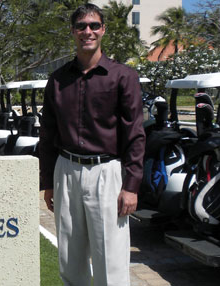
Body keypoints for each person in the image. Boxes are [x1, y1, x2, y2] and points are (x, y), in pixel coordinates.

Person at [38, 3, 145, 286]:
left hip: (106, 173)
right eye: (81, 26)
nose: (88, 31)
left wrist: (131, 186)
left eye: (94, 25)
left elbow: (135, 133)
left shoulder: (123, 76)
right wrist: (48, 182)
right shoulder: (58, 80)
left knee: (110, 260)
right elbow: (47, 135)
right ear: (73, 31)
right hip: (66, 171)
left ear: (103, 29)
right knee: (70, 260)